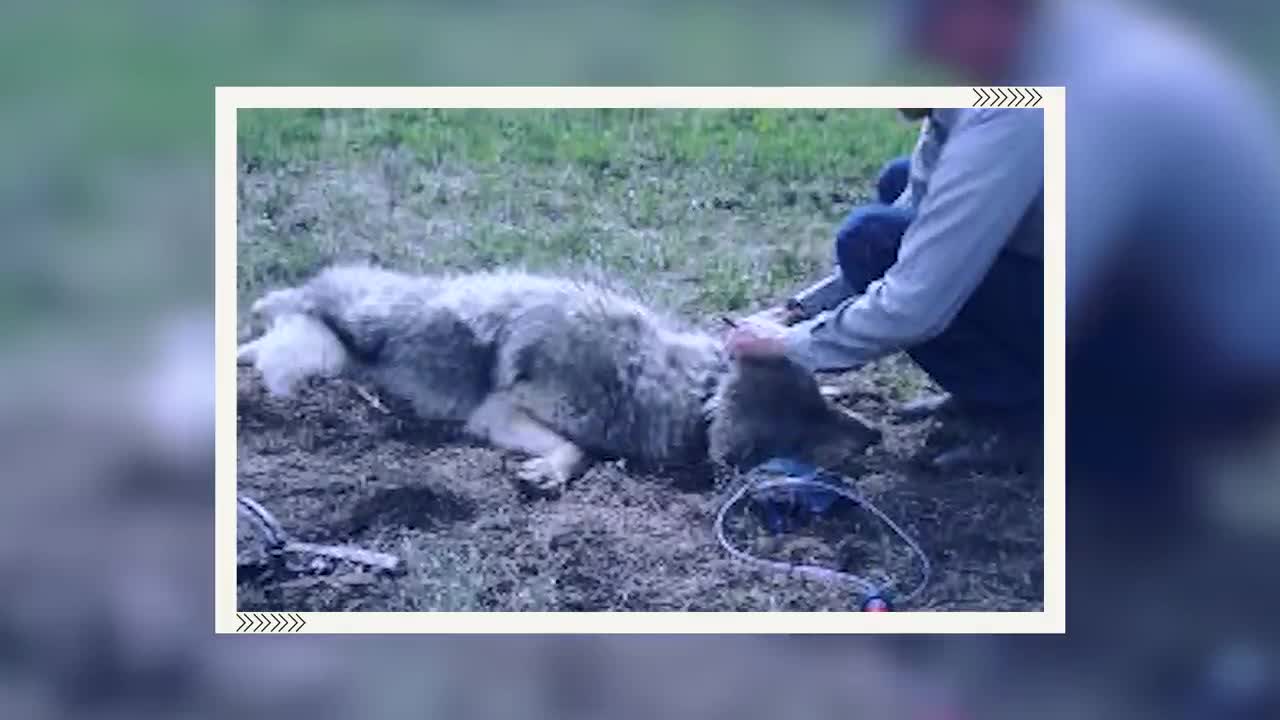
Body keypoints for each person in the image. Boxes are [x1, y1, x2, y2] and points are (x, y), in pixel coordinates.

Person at [729, 104, 1045, 471]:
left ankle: (1028, 418)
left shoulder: (1005, 114)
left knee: (868, 238)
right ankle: (989, 391)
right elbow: (918, 225)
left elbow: (915, 304)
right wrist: (798, 310)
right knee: (898, 182)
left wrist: (788, 345)